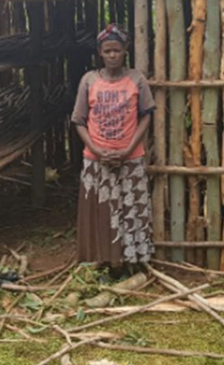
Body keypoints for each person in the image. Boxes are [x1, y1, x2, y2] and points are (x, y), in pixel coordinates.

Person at [71, 23, 156, 274]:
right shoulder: (89, 81)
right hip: (96, 160)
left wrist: (129, 147)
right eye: (107, 51)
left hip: (130, 159)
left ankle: (129, 263)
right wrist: (96, 150)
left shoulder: (136, 80)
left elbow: (146, 117)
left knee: (130, 211)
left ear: (125, 50)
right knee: (100, 212)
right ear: (100, 52)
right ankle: (101, 262)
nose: (112, 55)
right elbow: (78, 121)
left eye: (117, 50)